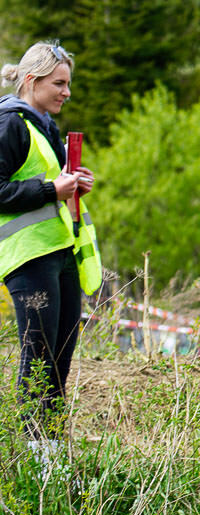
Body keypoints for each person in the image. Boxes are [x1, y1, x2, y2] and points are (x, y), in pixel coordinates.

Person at [1, 41, 101, 447]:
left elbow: (51, 185)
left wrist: (73, 185)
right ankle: (33, 455)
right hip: (28, 258)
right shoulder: (9, 124)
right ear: (32, 80)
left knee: (59, 359)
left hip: (60, 253)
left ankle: (53, 454)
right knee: (38, 359)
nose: (67, 92)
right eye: (59, 83)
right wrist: (50, 190)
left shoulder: (45, 125)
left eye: (68, 84)